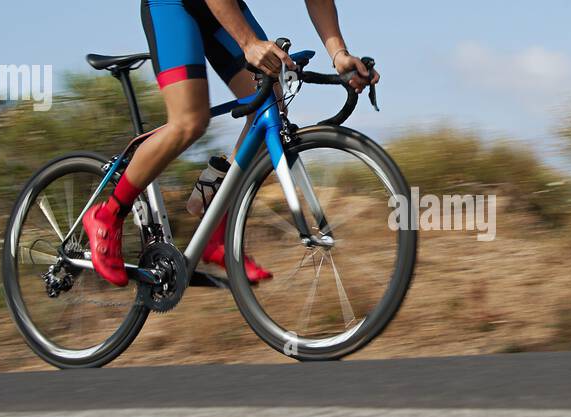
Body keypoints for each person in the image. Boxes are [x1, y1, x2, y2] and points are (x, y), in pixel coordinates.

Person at [82, 0, 380, 286]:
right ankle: (107, 215)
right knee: (190, 121)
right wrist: (249, 44)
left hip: (224, 8)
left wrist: (339, 54)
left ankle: (217, 227)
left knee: (270, 104)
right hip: (172, 4)